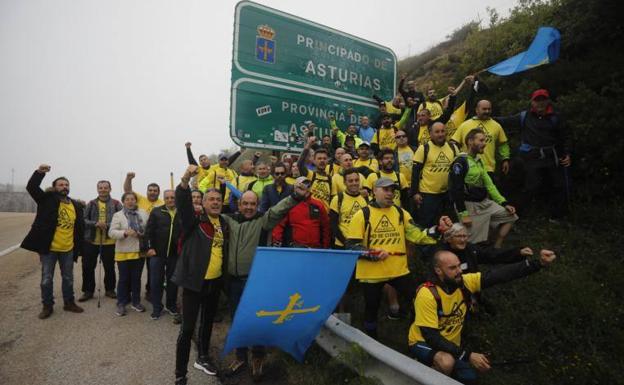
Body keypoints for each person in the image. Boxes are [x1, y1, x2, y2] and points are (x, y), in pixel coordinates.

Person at [408, 249, 556, 384]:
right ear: (438, 271)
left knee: (469, 378)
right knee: (446, 362)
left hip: (450, 344)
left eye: (459, 266)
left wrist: (538, 263)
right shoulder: (427, 294)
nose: (459, 271)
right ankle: (423, 375)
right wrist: (467, 355)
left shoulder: (464, 282)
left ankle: (432, 368)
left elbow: (499, 275)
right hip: (422, 341)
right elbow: (431, 336)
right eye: (452, 268)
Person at [220, 179, 309, 380]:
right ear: (240, 204)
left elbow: (279, 209)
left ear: (257, 205)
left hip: (255, 281)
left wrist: (295, 195)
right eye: (246, 204)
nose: (249, 207)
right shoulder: (229, 220)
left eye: (253, 204)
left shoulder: (264, 220)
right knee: (237, 320)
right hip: (232, 282)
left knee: (256, 320)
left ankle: (258, 357)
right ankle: (241, 356)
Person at [345, 177, 452, 338]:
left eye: (392, 190)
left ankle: (416, 335)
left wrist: (438, 229)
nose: (390, 194)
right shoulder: (362, 215)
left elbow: (418, 235)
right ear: (375, 191)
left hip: (399, 271)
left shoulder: (401, 213)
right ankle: (371, 343)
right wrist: (371, 254)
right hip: (371, 275)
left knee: (418, 300)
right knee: (371, 308)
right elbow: (351, 245)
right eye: (386, 190)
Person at [174, 166, 229, 383]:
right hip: (193, 283)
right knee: (187, 330)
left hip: (214, 283)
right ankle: (180, 374)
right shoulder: (194, 221)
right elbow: (183, 204)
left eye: (218, 199)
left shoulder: (224, 223)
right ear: (204, 203)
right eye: (211, 199)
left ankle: (203, 357)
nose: (215, 202)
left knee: (207, 323)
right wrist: (186, 179)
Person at [494, 89, 572, 221]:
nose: (540, 103)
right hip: (531, 158)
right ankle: (517, 215)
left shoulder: (555, 117)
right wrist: (486, 118)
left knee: (557, 186)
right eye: (537, 100)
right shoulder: (524, 116)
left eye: (543, 99)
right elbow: (505, 121)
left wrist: (567, 154)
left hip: (551, 157)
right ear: (532, 102)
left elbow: (564, 136)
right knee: (530, 186)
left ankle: (557, 217)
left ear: (548, 101)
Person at [21, 164, 85, 319]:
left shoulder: (75, 205)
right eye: (61, 184)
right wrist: (39, 173)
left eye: (66, 184)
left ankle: (69, 303)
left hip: (68, 248)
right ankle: (47, 306)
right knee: (46, 279)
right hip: (49, 248)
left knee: (68, 278)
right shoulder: (46, 200)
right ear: (54, 187)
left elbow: (79, 227)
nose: (64, 187)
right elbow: (32, 187)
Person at [449, 128, 517, 248]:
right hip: (469, 205)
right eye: (481, 140)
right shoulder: (460, 162)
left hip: (484, 202)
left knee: (510, 216)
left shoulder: (478, 160)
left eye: (485, 140)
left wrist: (503, 202)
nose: (484, 143)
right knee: (469, 242)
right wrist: (463, 214)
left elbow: (489, 184)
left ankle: (496, 248)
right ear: (470, 141)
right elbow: (456, 189)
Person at [410, 122, 460, 227]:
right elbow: (415, 172)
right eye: (437, 132)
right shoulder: (423, 149)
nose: (440, 134)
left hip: (447, 194)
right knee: (428, 224)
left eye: (442, 131)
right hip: (428, 195)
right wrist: (415, 193)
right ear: (430, 134)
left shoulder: (453, 148)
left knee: (448, 224)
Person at [124, 172, 164, 300]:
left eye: (155, 190)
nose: (152, 192)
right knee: (136, 268)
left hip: (154, 240)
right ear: (146, 191)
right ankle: (131, 293)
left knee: (153, 269)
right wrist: (129, 178)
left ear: (158, 192)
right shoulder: (140, 199)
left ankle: (150, 292)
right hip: (139, 239)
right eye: (150, 190)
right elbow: (127, 190)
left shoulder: (162, 203)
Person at [80, 180, 122, 301]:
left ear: (110, 189)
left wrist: (108, 225)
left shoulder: (116, 203)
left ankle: (110, 290)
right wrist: (95, 224)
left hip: (109, 242)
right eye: (100, 188)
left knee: (109, 267)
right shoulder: (91, 203)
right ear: (97, 189)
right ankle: (88, 291)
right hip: (91, 242)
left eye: (105, 188)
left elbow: (122, 219)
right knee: (88, 267)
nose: (103, 190)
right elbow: (83, 220)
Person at [108, 192, 149, 316]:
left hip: (139, 252)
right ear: (123, 201)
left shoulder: (143, 213)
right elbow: (111, 233)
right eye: (127, 199)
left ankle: (136, 302)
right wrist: (125, 233)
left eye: (132, 199)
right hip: (123, 252)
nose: (130, 201)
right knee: (124, 279)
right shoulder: (118, 215)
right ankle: (121, 303)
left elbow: (149, 230)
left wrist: (142, 234)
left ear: (136, 201)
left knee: (136, 279)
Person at [145, 189, 182, 320]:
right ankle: (157, 307)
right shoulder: (156, 212)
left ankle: (171, 305)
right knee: (156, 282)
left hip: (174, 254)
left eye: (173, 197)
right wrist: (149, 247)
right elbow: (149, 231)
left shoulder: (181, 212)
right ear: (164, 199)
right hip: (157, 254)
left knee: (173, 282)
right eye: (167, 198)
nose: (170, 200)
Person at [451, 100, 511, 177]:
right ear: (477, 110)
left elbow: (503, 144)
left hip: (488, 169)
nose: (487, 111)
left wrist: (505, 159)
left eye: (489, 109)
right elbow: (454, 144)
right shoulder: (465, 125)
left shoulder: (496, 126)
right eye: (484, 109)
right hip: (468, 168)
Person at [272, 177, 330, 249]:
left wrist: (325, 247)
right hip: (296, 248)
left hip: (316, 248)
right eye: (301, 186)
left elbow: (326, 227)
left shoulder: (318, 205)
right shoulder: (289, 205)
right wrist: (277, 242)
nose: (305, 188)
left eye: (307, 185)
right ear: (295, 188)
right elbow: (279, 225)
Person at [330, 168, 368, 249]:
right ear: (344, 182)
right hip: (341, 245)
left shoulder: (365, 199)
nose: (354, 183)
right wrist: (346, 243)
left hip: (360, 245)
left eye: (356, 180)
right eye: (350, 181)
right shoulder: (338, 199)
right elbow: (333, 225)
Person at [297, 137, 332, 209]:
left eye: (324, 158)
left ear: (327, 161)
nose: (322, 161)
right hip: (311, 214)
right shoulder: (310, 174)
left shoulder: (330, 179)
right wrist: (308, 144)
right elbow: (300, 164)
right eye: (319, 158)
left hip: (325, 216)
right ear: (314, 161)